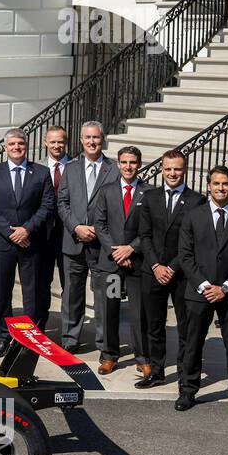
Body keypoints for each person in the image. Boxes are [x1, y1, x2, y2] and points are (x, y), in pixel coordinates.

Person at [176, 165, 228, 418]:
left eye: (225, 184)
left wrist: (224, 288)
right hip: (198, 292)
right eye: (216, 183)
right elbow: (185, 256)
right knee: (192, 344)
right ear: (208, 186)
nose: (221, 188)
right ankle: (188, 391)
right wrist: (205, 286)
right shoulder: (192, 216)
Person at [0, 128, 56, 357]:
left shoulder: (41, 173)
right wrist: (9, 231)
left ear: (26, 146)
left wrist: (27, 229)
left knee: (31, 294)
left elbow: (47, 206)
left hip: (31, 243)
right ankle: (3, 336)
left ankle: (29, 338)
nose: (16, 148)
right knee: (2, 292)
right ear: (5, 147)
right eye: (12, 144)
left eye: (20, 144)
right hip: (1, 243)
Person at [136, 148, 204, 389]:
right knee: (154, 325)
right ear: (161, 170)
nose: (172, 173)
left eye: (177, 168)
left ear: (184, 170)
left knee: (185, 326)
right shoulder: (149, 197)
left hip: (182, 273)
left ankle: (185, 374)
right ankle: (157, 371)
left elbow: (194, 241)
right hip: (152, 270)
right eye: (168, 169)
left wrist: (172, 267)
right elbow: (144, 235)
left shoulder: (197, 201)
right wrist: (156, 265)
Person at [56, 121, 115, 352]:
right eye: (88, 138)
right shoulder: (70, 168)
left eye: (96, 138)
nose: (92, 142)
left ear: (103, 139)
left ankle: (104, 343)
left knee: (103, 298)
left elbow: (117, 208)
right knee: (72, 295)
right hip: (74, 242)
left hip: (102, 246)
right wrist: (76, 227)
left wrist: (99, 232)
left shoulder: (115, 169)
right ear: (81, 140)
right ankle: (70, 340)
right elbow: (62, 203)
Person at [92, 146, 148, 375]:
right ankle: (109, 355)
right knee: (110, 309)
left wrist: (131, 249)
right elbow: (100, 224)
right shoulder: (106, 191)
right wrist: (116, 252)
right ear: (118, 164)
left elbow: (150, 229)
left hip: (136, 265)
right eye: (124, 162)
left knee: (138, 312)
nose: (128, 166)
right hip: (113, 265)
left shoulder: (149, 192)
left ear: (139, 164)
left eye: (133, 162)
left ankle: (143, 357)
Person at [39, 125, 70, 328]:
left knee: (70, 284)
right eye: (53, 142)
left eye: (60, 141)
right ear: (45, 143)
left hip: (69, 235)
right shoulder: (37, 167)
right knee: (42, 283)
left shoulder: (76, 166)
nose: (57, 145)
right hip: (43, 235)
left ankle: (69, 329)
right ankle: (41, 324)